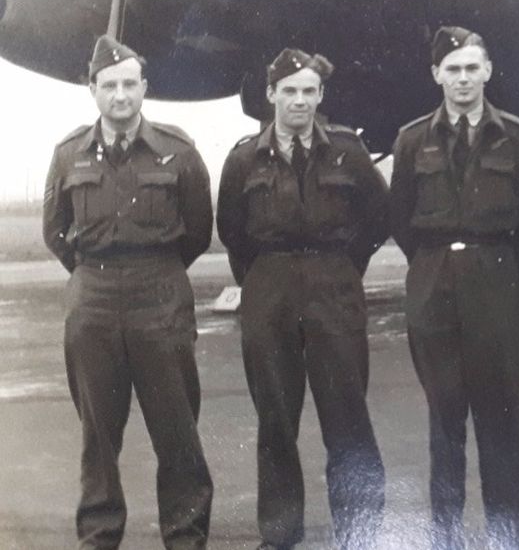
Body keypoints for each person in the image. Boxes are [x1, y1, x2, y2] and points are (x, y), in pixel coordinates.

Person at [43, 36, 214, 549]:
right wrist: (93, 272)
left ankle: (185, 539)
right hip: (92, 300)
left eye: (130, 84)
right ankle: (98, 537)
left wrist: (155, 270)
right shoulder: (68, 153)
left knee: (177, 431)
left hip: (159, 294)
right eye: (110, 85)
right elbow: (55, 231)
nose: (120, 95)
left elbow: (198, 231)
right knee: (98, 436)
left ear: (145, 88)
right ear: (92, 90)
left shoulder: (178, 151)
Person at [217, 49, 388, 550]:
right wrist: (265, 279)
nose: (299, 101)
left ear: (321, 95)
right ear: (271, 94)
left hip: (334, 290)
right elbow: (232, 231)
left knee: (348, 418)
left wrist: (342, 267)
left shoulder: (347, 151)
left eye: (309, 91)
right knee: (275, 421)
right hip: (269, 294)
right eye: (289, 91)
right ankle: (279, 535)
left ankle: (359, 533)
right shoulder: (244, 158)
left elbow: (378, 217)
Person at [390, 26, 519, 550]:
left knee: (504, 419)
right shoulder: (412, 139)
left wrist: (495, 264)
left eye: (472, 68)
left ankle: (512, 537)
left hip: (495, 279)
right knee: (444, 420)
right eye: (452, 69)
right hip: (434, 281)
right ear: (436, 74)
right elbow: (401, 219)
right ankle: (447, 539)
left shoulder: (515, 136)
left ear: (488, 71)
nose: (463, 78)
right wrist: (436, 263)